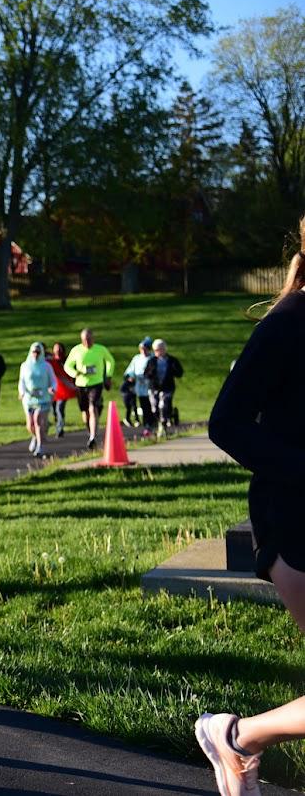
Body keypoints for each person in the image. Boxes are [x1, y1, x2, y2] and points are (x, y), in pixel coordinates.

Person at [196, 217, 305, 796]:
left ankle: (238, 741)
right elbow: (226, 423)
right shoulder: (288, 323)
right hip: (293, 517)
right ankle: (237, 738)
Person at [63, 328, 115, 450]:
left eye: (90, 339)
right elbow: (67, 366)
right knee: (85, 412)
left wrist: (108, 375)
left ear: (93, 338)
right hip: (81, 384)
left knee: (93, 408)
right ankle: (90, 430)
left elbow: (110, 361)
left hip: (96, 383)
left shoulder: (100, 349)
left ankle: (93, 436)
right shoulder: (76, 350)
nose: (87, 342)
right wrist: (75, 373)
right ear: (81, 340)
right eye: (85, 340)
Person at [17, 342, 55, 456]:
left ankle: (40, 446)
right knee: (30, 425)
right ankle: (35, 437)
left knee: (38, 420)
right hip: (29, 399)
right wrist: (22, 392)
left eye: (38, 352)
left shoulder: (46, 366)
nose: (36, 354)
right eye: (34, 352)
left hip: (43, 399)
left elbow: (53, 380)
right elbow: (21, 381)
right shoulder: (25, 365)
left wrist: (52, 388)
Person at [147, 338, 184, 437]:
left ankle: (163, 426)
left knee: (162, 406)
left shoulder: (172, 360)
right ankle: (159, 423)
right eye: (155, 350)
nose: (157, 352)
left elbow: (180, 373)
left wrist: (173, 370)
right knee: (154, 408)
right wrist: (151, 373)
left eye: (159, 350)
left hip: (167, 388)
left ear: (164, 349)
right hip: (154, 388)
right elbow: (146, 373)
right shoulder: (152, 361)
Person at [123, 337, 154, 435]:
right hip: (140, 387)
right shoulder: (137, 358)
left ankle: (153, 424)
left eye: (146, 349)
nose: (144, 351)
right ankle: (147, 426)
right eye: (142, 349)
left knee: (152, 407)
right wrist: (130, 377)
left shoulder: (153, 358)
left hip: (151, 387)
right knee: (144, 406)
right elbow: (130, 370)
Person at [47, 342, 76, 437]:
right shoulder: (50, 362)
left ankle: (60, 428)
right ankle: (58, 423)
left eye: (59, 349)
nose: (58, 351)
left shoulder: (66, 361)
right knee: (54, 410)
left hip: (64, 389)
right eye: (56, 349)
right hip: (53, 390)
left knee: (60, 408)